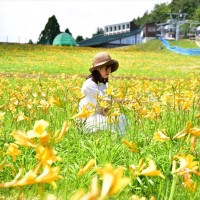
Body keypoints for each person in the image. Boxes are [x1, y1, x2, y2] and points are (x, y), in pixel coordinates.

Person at [78, 52, 128, 136]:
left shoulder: (104, 84)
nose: (109, 71)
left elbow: (105, 108)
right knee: (112, 125)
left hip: (99, 117)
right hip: (88, 119)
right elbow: (104, 101)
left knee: (121, 118)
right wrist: (124, 101)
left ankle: (120, 144)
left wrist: (109, 114)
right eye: (106, 68)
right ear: (98, 68)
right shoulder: (89, 84)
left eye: (110, 68)